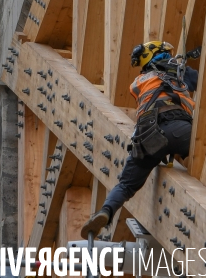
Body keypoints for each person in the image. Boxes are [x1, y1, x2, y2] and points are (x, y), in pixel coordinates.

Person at [81, 40, 199, 239]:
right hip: (179, 127)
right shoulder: (178, 71)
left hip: (148, 136)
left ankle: (106, 211)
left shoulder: (139, 82)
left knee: (126, 185)